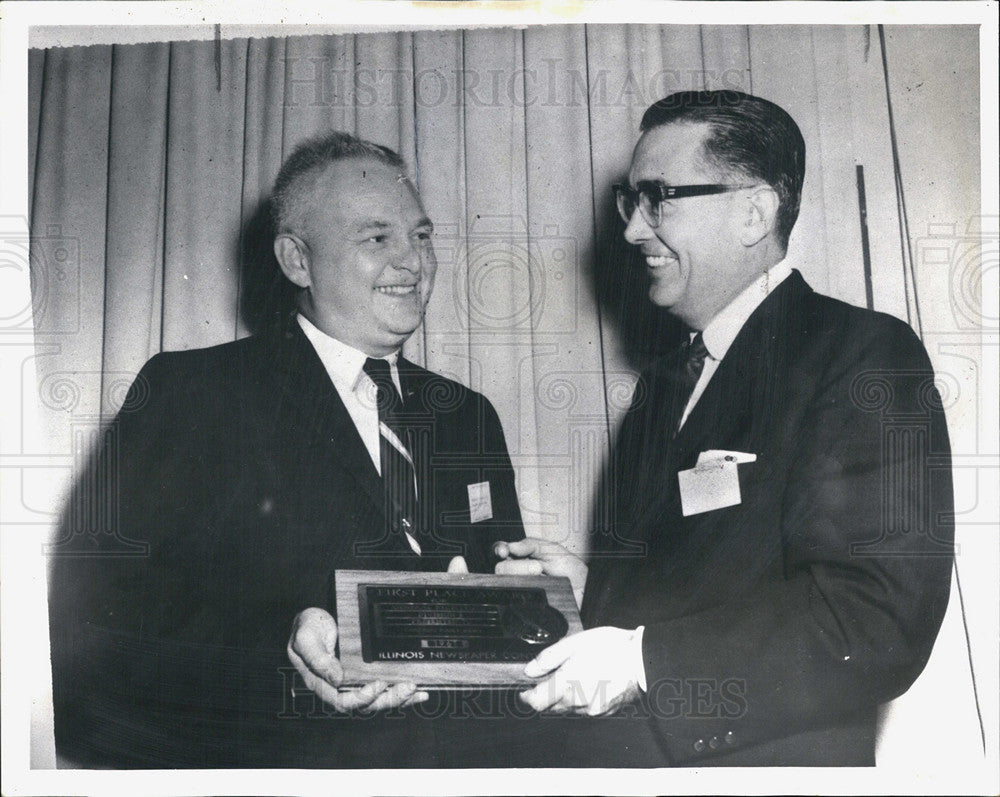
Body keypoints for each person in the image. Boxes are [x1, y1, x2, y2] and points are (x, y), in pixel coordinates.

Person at [496, 90, 955, 766]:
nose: (630, 231)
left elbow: (876, 619)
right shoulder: (665, 387)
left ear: (753, 211)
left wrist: (640, 659)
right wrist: (592, 588)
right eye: (631, 200)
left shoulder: (860, 355)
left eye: (659, 198)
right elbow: (711, 581)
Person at [47, 132, 529, 767]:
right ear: (296, 260)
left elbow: (506, 623)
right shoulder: (192, 393)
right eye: (377, 238)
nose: (413, 263)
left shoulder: (469, 415)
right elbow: (94, 633)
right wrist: (284, 655)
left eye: (421, 235)